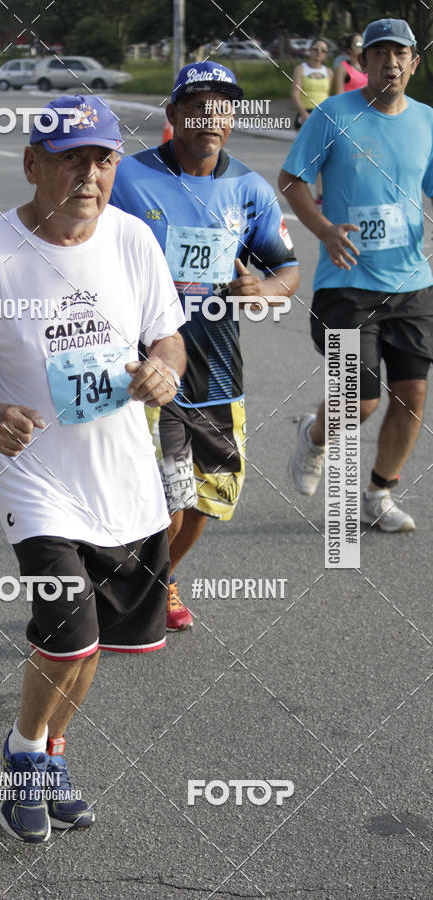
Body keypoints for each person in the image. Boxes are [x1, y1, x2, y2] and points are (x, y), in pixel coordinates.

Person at [0, 95, 185, 842]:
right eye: (72, 157)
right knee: (67, 629)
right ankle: (23, 758)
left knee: (94, 641)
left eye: (102, 158)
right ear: (33, 162)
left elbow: (167, 340)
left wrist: (164, 372)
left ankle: (46, 752)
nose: (89, 173)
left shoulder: (133, 240)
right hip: (34, 478)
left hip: (123, 477)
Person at [110, 62, 299, 630]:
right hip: (150, 368)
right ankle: (132, 589)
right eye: (196, 105)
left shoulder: (249, 189)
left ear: (233, 118)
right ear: (172, 116)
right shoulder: (128, 179)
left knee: (205, 499)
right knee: (163, 495)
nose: (209, 117)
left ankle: (159, 578)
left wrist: (261, 289)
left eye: (221, 106)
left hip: (220, 373)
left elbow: (287, 268)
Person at [280, 19, 433, 532]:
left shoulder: (427, 120)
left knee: (411, 395)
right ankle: (315, 435)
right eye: (380, 53)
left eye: (401, 54)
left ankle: (378, 494)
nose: (391, 62)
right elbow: (292, 179)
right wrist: (324, 229)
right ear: (361, 62)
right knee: (360, 398)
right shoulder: (332, 114)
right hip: (346, 280)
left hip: (411, 281)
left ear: (414, 62)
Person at [291, 38, 333, 205]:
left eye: (322, 50)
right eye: (315, 49)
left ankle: (320, 194)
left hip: (323, 115)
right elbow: (295, 93)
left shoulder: (329, 72)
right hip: (306, 115)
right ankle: (300, 193)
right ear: (310, 50)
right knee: (306, 157)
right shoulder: (301, 69)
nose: (318, 53)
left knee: (323, 157)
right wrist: (303, 113)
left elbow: (331, 95)